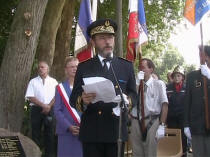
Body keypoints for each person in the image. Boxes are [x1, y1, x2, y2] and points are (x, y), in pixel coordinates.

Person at [70, 18, 137, 157]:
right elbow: (73, 98)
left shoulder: (126, 66)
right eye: (102, 38)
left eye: (110, 37)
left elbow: (134, 94)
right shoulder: (83, 67)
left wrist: (127, 100)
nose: (107, 42)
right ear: (93, 42)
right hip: (92, 132)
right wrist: (83, 100)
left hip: (116, 131)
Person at [130, 58, 168, 157]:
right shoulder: (136, 83)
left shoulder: (158, 84)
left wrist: (162, 125)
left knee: (151, 152)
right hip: (136, 120)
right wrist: (138, 82)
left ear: (151, 69)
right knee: (137, 152)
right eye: (139, 68)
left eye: (143, 68)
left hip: (151, 120)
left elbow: (164, 105)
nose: (141, 70)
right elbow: (132, 100)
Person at [25, 61, 58, 157]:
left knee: (50, 134)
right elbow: (30, 96)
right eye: (39, 67)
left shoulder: (53, 81)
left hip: (50, 109)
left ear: (47, 69)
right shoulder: (33, 81)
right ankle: (35, 154)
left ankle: (50, 155)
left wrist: (49, 106)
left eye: (42, 67)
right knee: (35, 133)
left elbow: (57, 95)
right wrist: (44, 106)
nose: (40, 69)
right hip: (36, 110)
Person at [184, 45, 210, 157]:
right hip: (197, 126)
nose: (201, 58)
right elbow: (187, 102)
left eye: (203, 55)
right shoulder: (192, 76)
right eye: (200, 55)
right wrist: (186, 124)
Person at [54, 57, 83, 157]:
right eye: (72, 67)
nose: (75, 69)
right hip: (66, 131)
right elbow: (57, 110)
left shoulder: (85, 87)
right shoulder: (60, 88)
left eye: (77, 66)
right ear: (66, 70)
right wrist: (68, 126)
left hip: (82, 130)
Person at [166, 65, 187, 156]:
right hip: (171, 118)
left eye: (178, 76)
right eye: (175, 76)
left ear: (182, 77)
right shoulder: (168, 87)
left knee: (183, 139)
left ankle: (184, 153)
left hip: (183, 119)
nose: (176, 78)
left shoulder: (187, 88)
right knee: (172, 139)